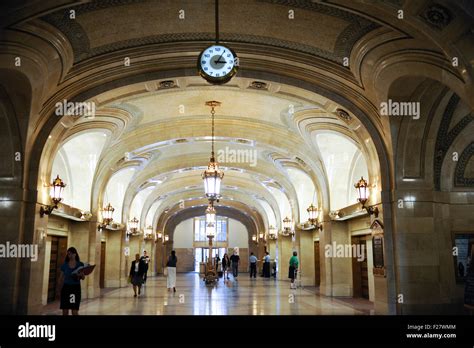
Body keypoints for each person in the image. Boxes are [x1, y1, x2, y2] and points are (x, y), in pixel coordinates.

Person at [59, 247, 85, 315]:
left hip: (75, 289)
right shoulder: (64, 265)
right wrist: (60, 289)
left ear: (75, 254)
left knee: (74, 311)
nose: (70, 255)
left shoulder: (80, 264)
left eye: (71, 254)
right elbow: (61, 278)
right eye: (68, 254)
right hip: (66, 288)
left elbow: (83, 278)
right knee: (65, 311)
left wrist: (81, 275)